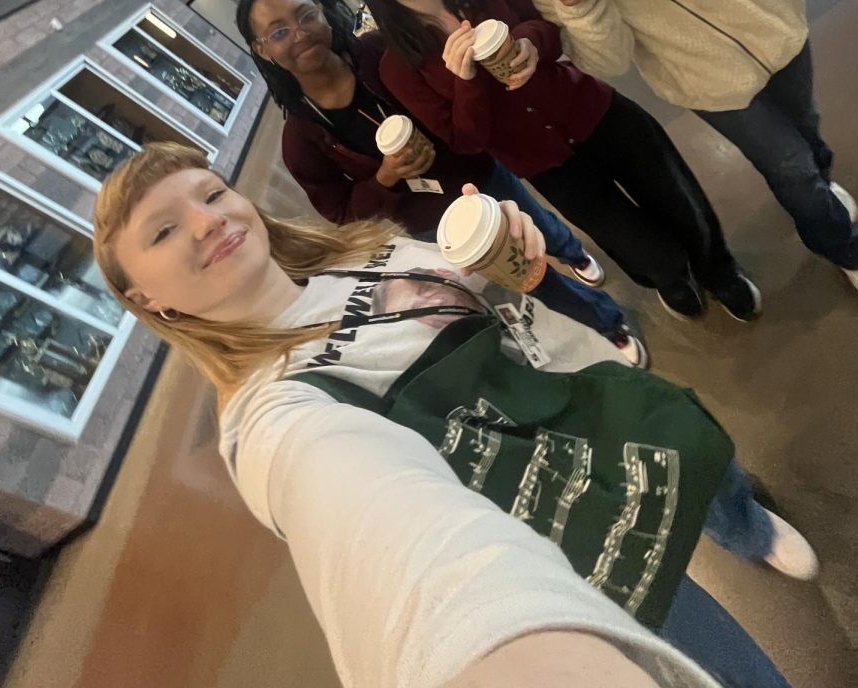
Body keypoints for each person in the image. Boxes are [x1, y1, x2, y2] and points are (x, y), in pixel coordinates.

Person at [92, 142, 816, 688]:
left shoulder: (356, 252)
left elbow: (485, 281)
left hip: (583, 397)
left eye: (212, 193)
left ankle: (745, 529)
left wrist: (503, 245)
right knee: (696, 647)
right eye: (161, 232)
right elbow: (381, 531)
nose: (204, 222)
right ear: (148, 301)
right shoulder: (270, 416)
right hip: (555, 523)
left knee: (702, 459)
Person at [472, 0, 858, 290]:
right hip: (705, 83)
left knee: (807, 125)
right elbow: (609, 61)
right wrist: (586, 3)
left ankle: (822, 182)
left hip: (772, 27)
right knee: (788, 166)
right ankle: (840, 244)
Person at [334, 0, 761, 324]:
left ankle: (719, 270)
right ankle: (671, 279)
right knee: (638, 246)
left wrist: (529, 45)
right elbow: (467, 141)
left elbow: (552, 32)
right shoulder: (399, 65)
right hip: (548, 166)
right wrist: (468, 81)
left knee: (680, 202)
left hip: (599, 113)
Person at [235, 0, 642, 362]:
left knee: (534, 221)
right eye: (278, 32)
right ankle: (606, 322)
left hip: (473, 173)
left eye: (306, 15)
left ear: (323, 11)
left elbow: (445, 91)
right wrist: (386, 177)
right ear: (261, 48)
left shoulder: (377, 51)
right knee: (524, 273)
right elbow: (341, 213)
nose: (300, 33)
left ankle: (571, 251)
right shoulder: (302, 138)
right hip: (433, 221)